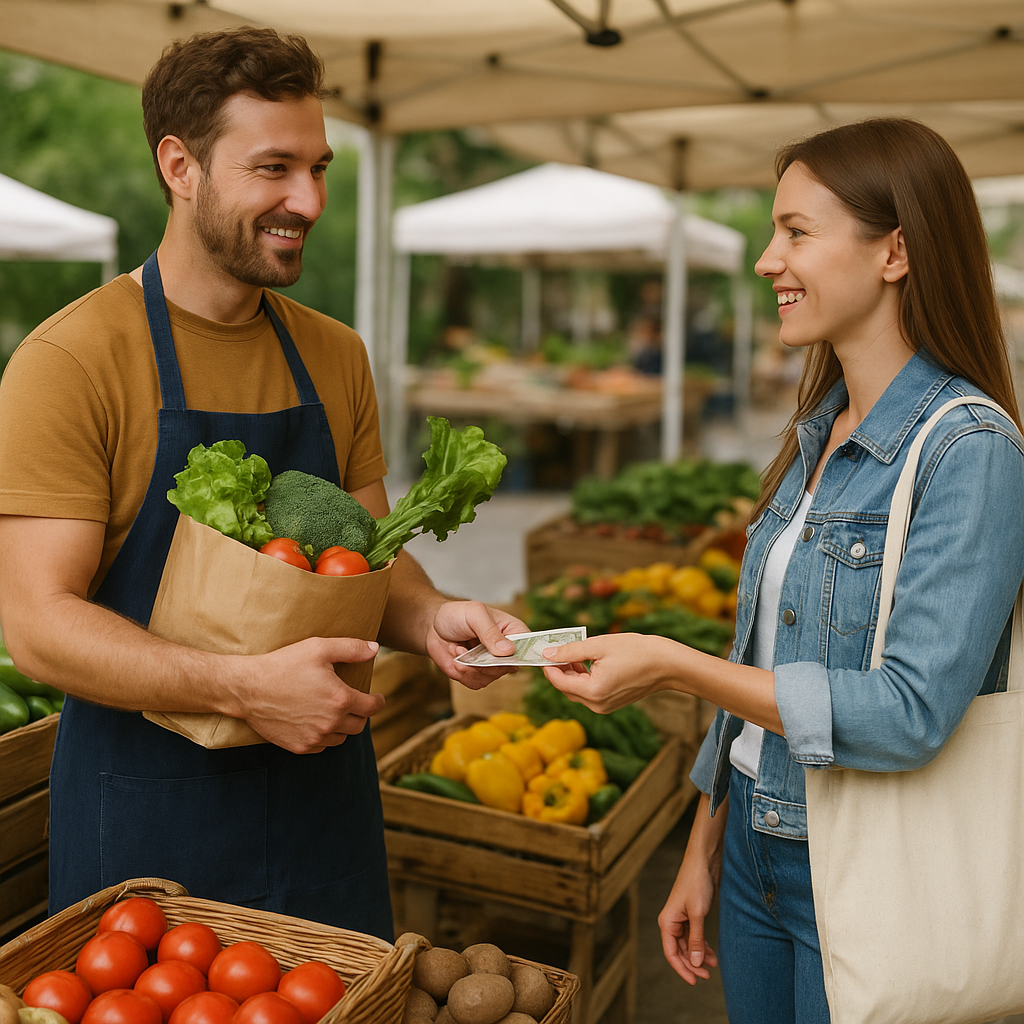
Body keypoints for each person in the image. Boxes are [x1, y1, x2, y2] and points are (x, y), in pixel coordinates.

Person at [0, 26, 525, 939]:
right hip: (146, 828)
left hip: (326, 810)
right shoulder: (72, 359)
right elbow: (40, 628)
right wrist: (244, 686)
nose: (308, 199)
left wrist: (431, 618)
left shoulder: (334, 353)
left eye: (318, 167)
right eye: (273, 168)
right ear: (180, 165)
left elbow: (365, 565)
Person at [541, 117, 1024, 1022]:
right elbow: (765, 652)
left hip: (871, 867)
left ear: (896, 252)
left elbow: (912, 712)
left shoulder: (973, 450)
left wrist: (674, 664)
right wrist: (704, 841)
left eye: (796, 232)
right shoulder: (819, 432)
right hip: (755, 851)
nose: (768, 260)